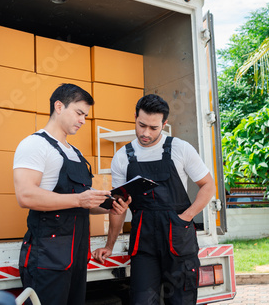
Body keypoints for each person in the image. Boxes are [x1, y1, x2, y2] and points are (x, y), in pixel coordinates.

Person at [92, 94, 216, 304]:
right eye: (141, 125)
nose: (145, 133)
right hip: (144, 241)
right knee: (141, 300)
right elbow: (118, 207)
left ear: (164, 124)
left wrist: (186, 217)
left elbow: (208, 185)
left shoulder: (180, 148)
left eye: (153, 127)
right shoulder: (123, 156)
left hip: (178, 235)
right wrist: (109, 245)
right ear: (135, 117)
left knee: (181, 300)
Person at [14, 83, 130, 305]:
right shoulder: (35, 145)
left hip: (76, 256)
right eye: (79, 113)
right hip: (48, 257)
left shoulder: (74, 152)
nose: (83, 120)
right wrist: (80, 198)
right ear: (59, 106)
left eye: (85, 116)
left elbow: (81, 204)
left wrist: (109, 204)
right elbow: (25, 196)